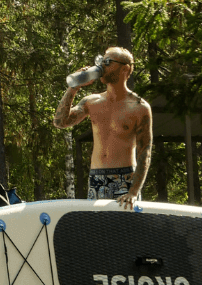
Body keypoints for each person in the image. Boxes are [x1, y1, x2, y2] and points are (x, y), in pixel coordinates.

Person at [53, 47, 153, 210]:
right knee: (97, 233)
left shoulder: (139, 107)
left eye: (107, 62)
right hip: (96, 179)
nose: (101, 67)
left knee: (127, 233)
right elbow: (60, 122)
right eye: (101, 61)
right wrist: (73, 88)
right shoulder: (92, 102)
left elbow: (145, 152)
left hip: (125, 180)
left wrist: (134, 192)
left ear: (125, 69)